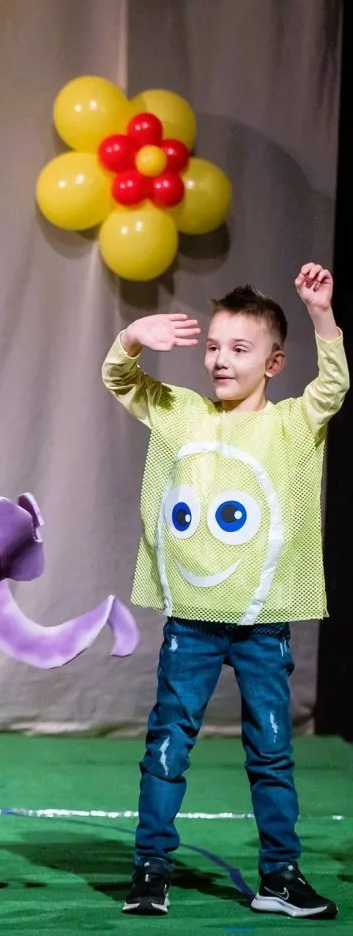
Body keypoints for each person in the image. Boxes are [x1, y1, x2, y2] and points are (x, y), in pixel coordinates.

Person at [103, 263, 345, 920]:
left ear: (274, 362)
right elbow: (120, 379)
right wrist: (132, 337)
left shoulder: (293, 424)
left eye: (239, 348)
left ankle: (280, 876)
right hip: (192, 622)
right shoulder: (182, 413)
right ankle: (150, 869)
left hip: (263, 623)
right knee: (168, 744)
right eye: (213, 345)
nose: (220, 359)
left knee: (272, 750)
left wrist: (321, 314)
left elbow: (333, 385)